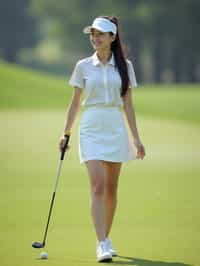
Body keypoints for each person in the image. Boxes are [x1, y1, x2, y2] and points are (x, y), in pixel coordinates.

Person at [59, 16, 145, 262]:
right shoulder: (83, 65)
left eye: (100, 34)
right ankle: (101, 243)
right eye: (92, 34)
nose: (95, 38)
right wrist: (65, 132)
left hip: (115, 126)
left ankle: (106, 238)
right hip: (91, 126)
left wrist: (136, 138)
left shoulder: (125, 66)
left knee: (111, 188)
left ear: (113, 37)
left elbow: (128, 104)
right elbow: (75, 103)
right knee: (97, 185)